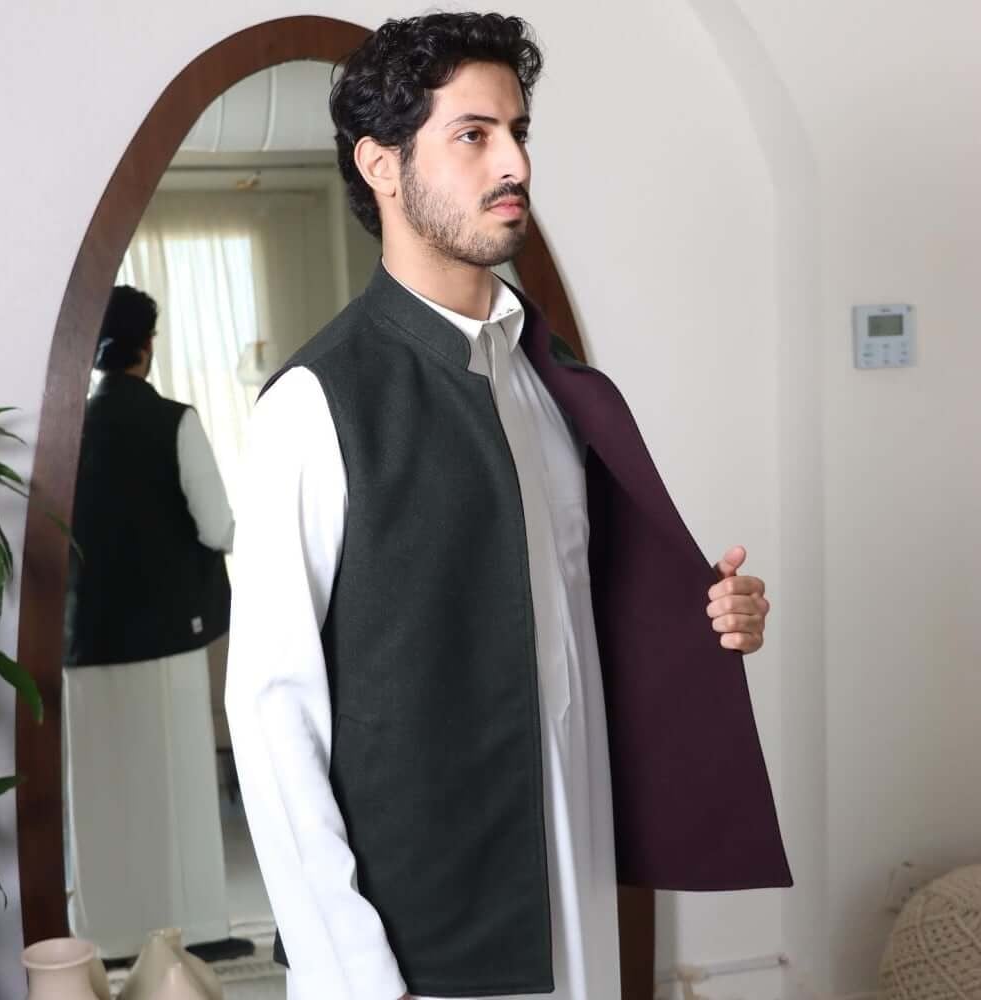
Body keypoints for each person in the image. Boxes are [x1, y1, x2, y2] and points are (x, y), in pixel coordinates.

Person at [225, 13, 789, 1000]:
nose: (514, 162)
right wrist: (351, 971)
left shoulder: (551, 383)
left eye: (518, 131)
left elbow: (579, 615)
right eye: (473, 134)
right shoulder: (316, 404)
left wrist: (710, 618)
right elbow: (273, 713)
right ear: (381, 165)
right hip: (419, 940)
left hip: (576, 890)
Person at [63, 285, 235, 958]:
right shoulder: (174, 421)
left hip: (86, 636)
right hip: (167, 633)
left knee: (100, 794)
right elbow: (217, 528)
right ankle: (197, 932)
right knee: (179, 789)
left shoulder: (66, 427)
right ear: (147, 346)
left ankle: (106, 936)